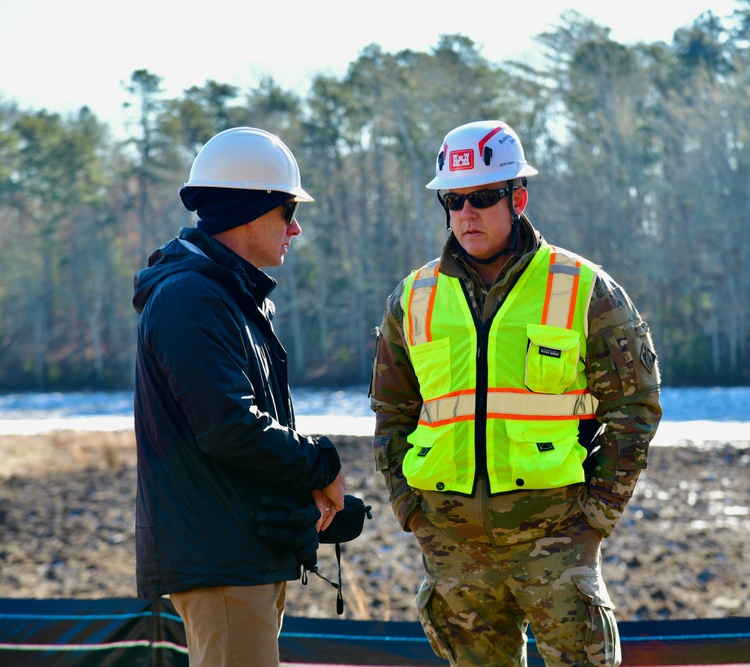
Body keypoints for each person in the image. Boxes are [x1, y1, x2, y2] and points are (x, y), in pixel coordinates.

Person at [369, 120, 662, 666]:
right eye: (453, 200)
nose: (466, 213)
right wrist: (411, 512)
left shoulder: (582, 287)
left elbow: (634, 406)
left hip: (556, 536)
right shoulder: (412, 299)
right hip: (452, 545)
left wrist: (596, 515)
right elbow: (392, 414)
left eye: (482, 197)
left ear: (518, 197)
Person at [132, 126, 347, 667]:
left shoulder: (223, 295)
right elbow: (229, 426)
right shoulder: (192, 299)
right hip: (222, 564)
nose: (296, 228)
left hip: (240, 558)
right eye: (288, 212)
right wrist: (320, 463)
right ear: (249, 211)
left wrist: (302, 488)